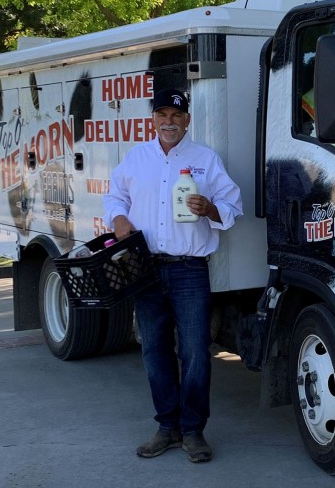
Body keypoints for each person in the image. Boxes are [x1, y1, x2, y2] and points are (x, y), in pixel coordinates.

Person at [103, 87, 243, 463]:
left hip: (189, 270)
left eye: (176, 116)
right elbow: (115, 195)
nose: (169, 122)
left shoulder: (205, 160)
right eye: (162, 115)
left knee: (195, 351)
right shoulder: (137, 158)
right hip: (145, 268)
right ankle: (167, 427)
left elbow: (233, 205)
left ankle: (194, 431)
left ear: (187, 120)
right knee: (154, 350)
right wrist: (118, 219)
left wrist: (211, 208)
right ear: (153, 119)